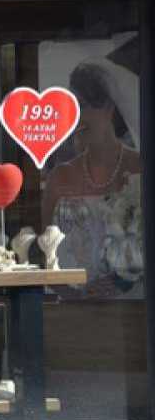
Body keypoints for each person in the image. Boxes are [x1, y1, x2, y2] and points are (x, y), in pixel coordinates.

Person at [42, 60, 142, 299]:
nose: (76, 116)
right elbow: (42, 254)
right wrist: (74, 293)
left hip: (135, 310)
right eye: (71, 108)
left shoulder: (141, 168)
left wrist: (124, 283)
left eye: (83, 106)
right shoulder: (60, 178)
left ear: (108, 107)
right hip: (73, 312)